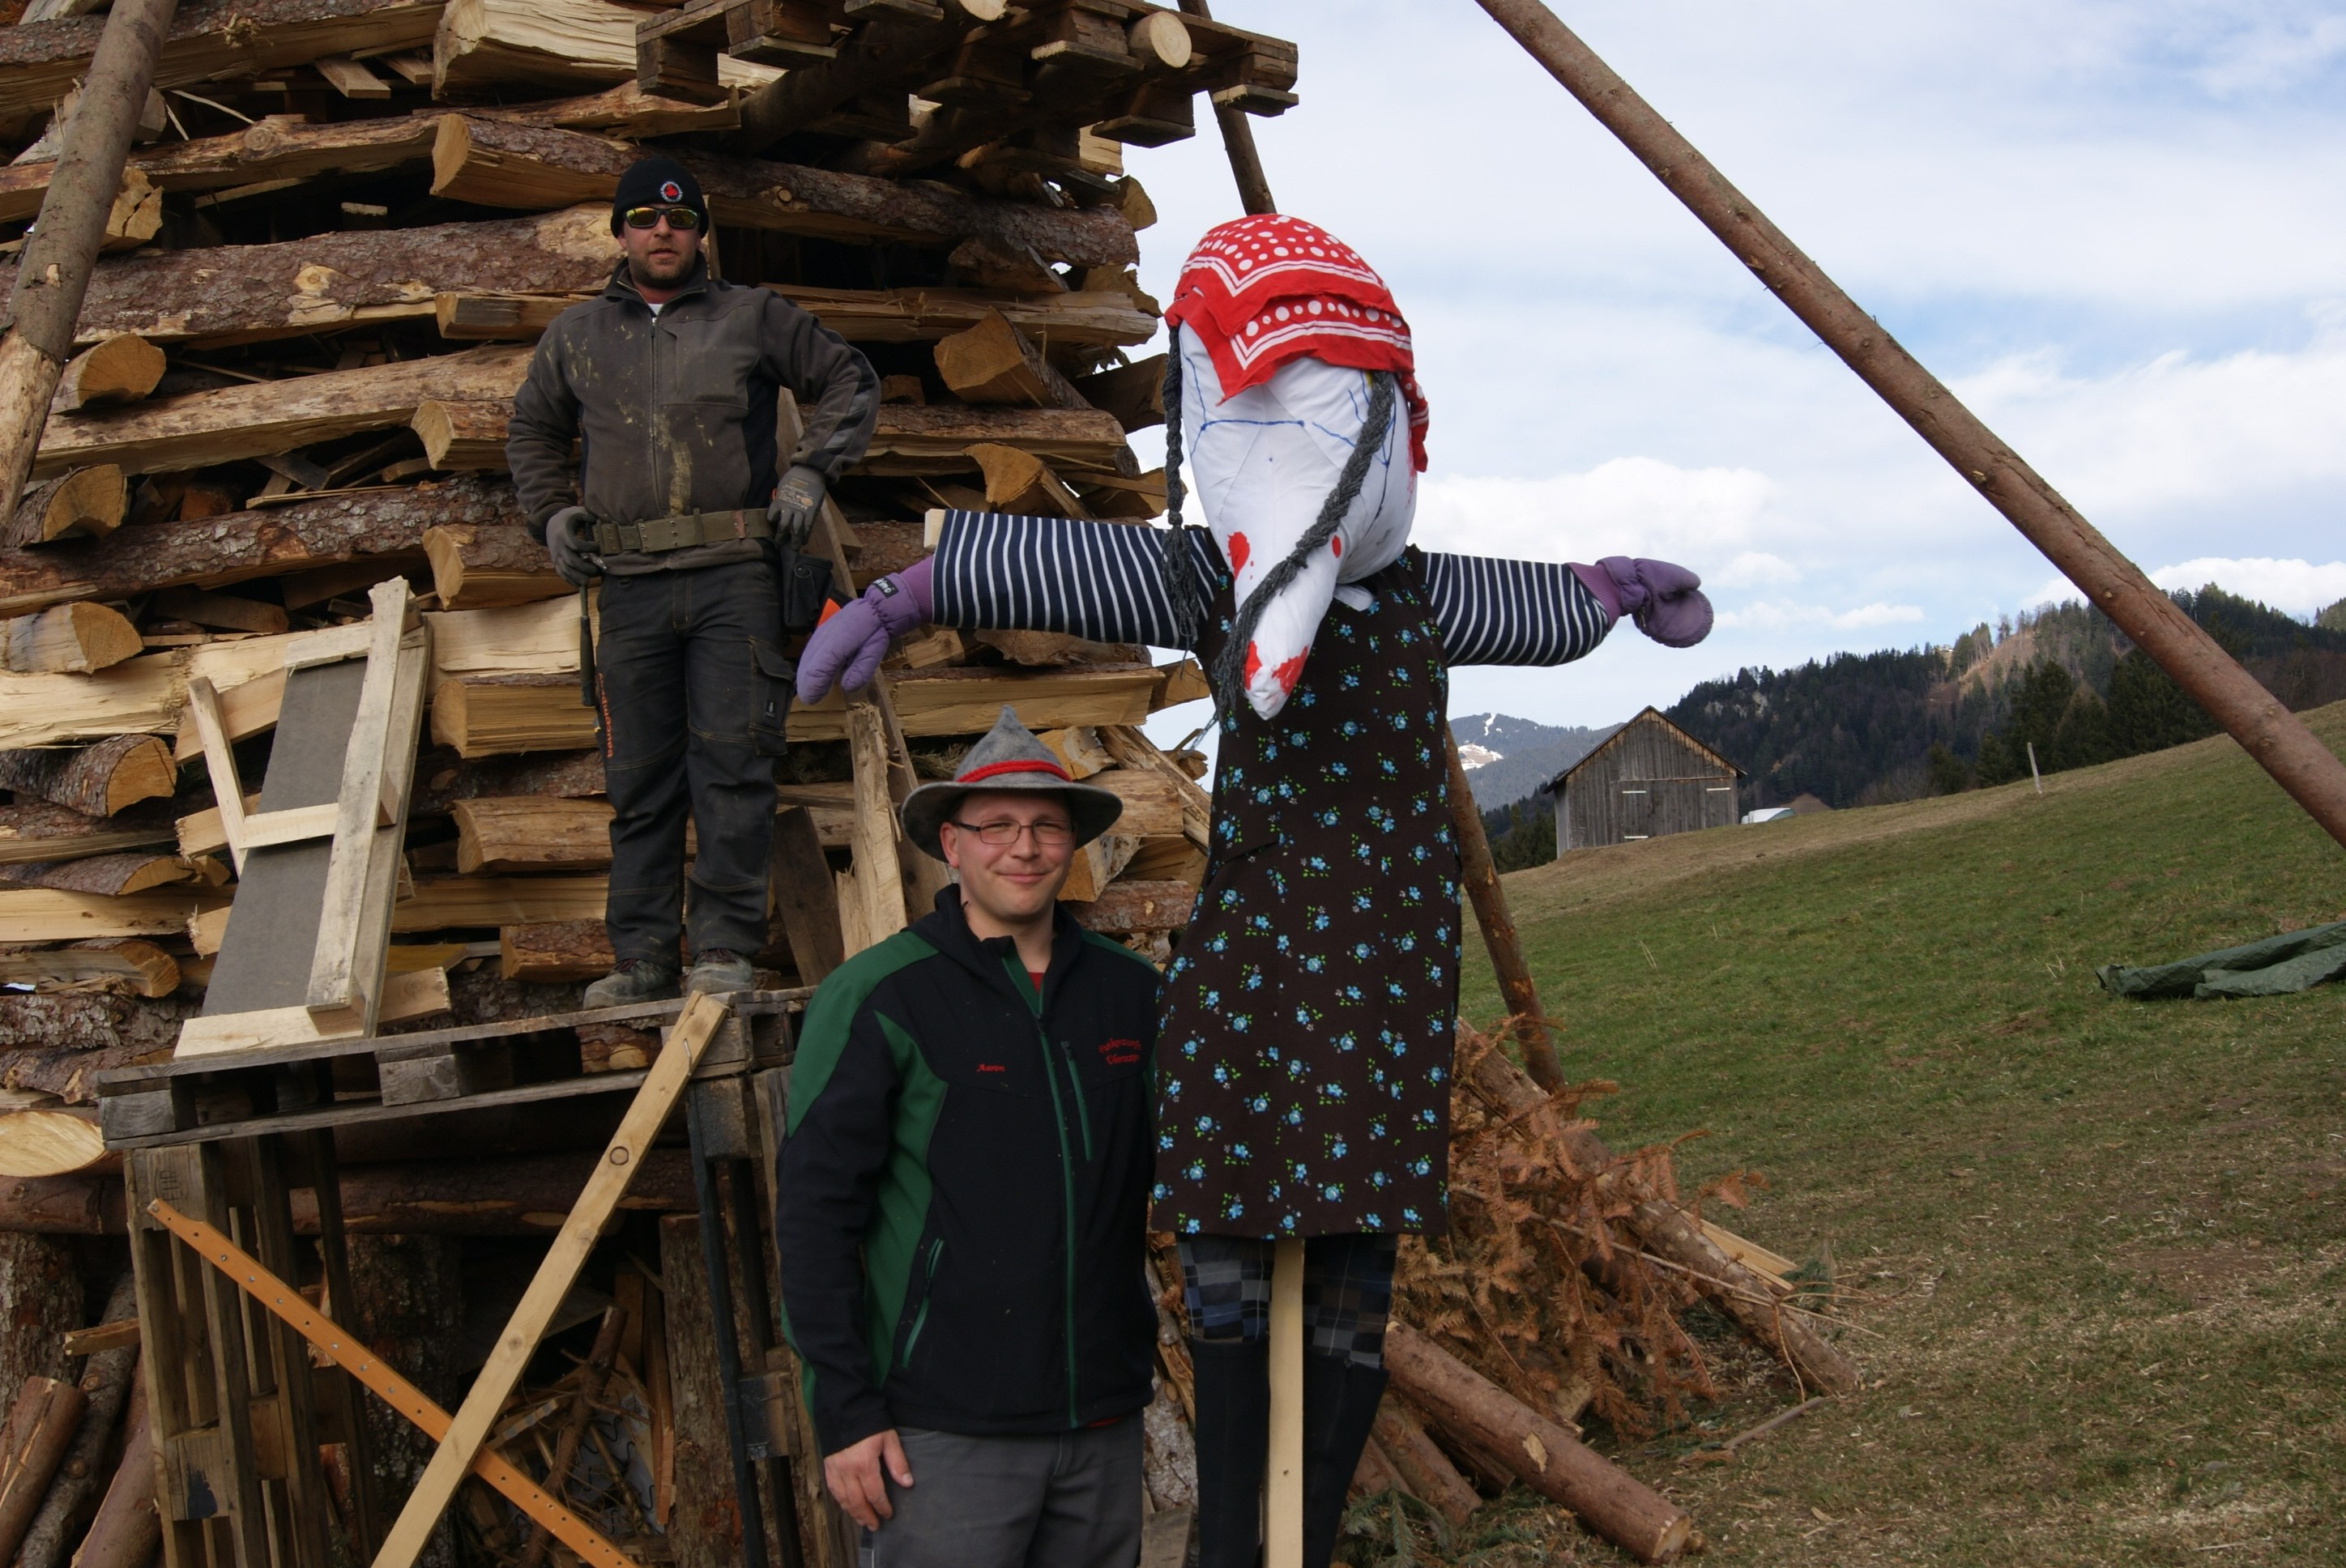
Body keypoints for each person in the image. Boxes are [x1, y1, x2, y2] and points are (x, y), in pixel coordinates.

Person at [794, 211, 1715, 1568]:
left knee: (1352, 1276)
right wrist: (909, 592)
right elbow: (1070, 570)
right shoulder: (1205, 578)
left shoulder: (1419, 596)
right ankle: (1231, 1542)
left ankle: (1304, 1538)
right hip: (1264, 965)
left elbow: (1535, 605)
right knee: (1232, 1251)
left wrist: (1610, 591)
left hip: (1388, 975)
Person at [774, 709, 1164, 1568]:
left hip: (1101, 1421)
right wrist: (846, 1411)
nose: (1024, 847)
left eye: (1046, 826)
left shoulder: (1133, 996)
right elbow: (812, 1219)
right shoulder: (881, 997)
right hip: (940, 1432)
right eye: (997, 826)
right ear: (951, 845)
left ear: (1072, 843)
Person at [505, 154, 880, 1003]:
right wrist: (553, 515)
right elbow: (531, 431)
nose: (663, 232)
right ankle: (639, 959)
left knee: (733, 767)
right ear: (621, 234)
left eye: (679, 219)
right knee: (637, 778)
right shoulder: (576, 335)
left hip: (733, 576)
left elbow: (849, 377)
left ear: (701, 233)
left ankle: (722, 950)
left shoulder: (751, 315)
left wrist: (809, 471)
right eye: (644, 219)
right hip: (628, 581)